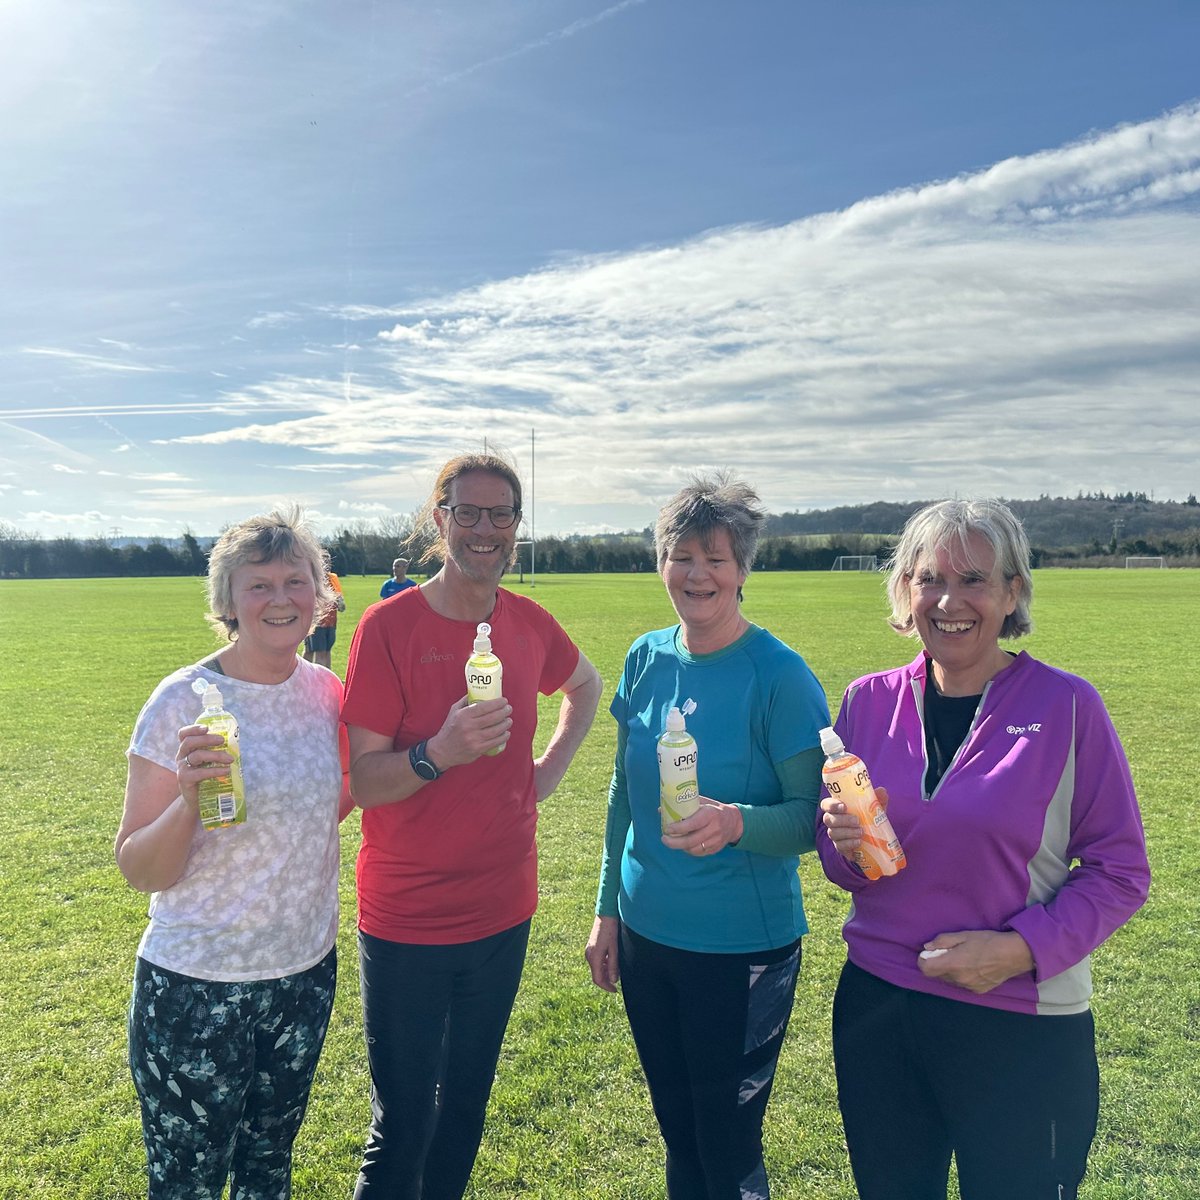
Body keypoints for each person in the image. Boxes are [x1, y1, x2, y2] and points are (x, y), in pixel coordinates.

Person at [817, 498, 1150, 1200]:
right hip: (880, 1008)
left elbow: (1120, 872)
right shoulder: (866, 702)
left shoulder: (1067, 708)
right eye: (929, 578)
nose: (949, 600)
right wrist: (845, 846)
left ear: (1012, 593)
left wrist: (1019, 950)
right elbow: (840, 859)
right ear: (905, 591)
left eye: (974, 580)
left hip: (1019, 1021)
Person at [341, 451, 603, 1200]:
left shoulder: (526, 622)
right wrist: (436, 753)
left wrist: (544, 772)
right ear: (440, 520)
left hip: (502, 912)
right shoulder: (390, 627)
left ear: (516, 526)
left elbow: (584, 686)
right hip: (407, 921)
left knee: (463, 1113)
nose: (484, 529)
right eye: (468, 512)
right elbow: (364, 779)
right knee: (403, 1129)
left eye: (501, 514)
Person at [585, 473, 830, 1200]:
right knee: (678, 1129)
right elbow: (625, 792)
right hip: (646, 937)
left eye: (716, 558)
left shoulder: (779, 676)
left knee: (725, 1145)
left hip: (740, 950)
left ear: (743, 569)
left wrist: (736, 824)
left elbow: (814, 818)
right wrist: (606, 911)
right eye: (682, 556)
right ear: (661, 563)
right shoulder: (645, 657)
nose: (698, 574)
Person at [116, 506, 352, 1199]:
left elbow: (331, 802)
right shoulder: (180, 701)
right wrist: (189, 801)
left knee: (267, 1171)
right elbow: (137, 865)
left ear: (320, 594)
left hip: (303, 976)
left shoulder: (328, 694)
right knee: (186, 1182)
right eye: (258, 584)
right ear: (228, 601)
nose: (280, 599)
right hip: (196, 986)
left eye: (296, 580)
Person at [303, 569, 345, 668]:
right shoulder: (312, 578)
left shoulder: (333, 578)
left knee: (326, 651)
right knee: (317, 651)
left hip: (331, 621)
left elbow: (339, 596)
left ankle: (326, 678)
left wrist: (340, 601)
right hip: (317, 621)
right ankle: (314, 679)